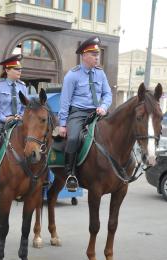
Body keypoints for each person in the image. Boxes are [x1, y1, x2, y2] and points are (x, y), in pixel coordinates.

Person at [58, 36, 112, 190]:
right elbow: (65, 101)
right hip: (79, 113)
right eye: (94, 54)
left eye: (98, 54)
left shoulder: (100, 73)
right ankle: (71, 174)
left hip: (98, 112)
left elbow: (108, 94)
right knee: (74, 138)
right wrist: (62, 124)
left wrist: (104, 106)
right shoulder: (72, 75)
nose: (97, 57)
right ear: (84, 55)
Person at [0, 54, 29, 189]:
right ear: (7, 70)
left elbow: (26, 105)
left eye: (20, 69)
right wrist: (4, 118)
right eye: (16, 69)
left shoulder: (22, 86)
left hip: (17, 121)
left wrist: (21, 115)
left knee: (33, 139)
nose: (19, 71)